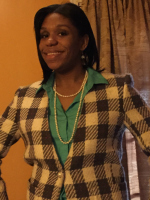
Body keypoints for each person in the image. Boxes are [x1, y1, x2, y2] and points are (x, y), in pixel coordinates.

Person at [0, 2, 150, 200]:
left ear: (83, 42)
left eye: (62, 33)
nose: (50, 41)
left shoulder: (117, 91)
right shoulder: (25, 98)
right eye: (44, 35)